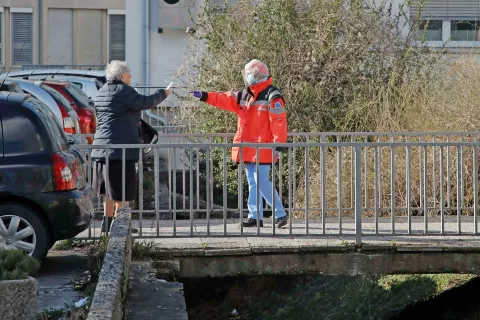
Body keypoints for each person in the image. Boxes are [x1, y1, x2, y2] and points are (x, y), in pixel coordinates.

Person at [190, 59, 288, 228]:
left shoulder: (273, 95)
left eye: (249, 74)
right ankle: (255, 216)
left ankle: (280, 213)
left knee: (262, 181)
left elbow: (278, 120)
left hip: (264, 147)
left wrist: (279, 141)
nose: (247, 77)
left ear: (257, 75)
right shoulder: (245, 94)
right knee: (253, 182)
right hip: (249, 147)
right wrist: (205, 96)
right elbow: (224, 98)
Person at [92, 60, 170, 231]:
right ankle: (121, 227)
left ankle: (107, 224)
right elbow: (146, 102)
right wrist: (164, 93)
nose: (131, 77)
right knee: (122, 190)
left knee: (108, 191)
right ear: (122, 76)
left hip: (101, 148)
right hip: (120, 150)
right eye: (129, 74)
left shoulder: (102, 91)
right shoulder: (124, 91)